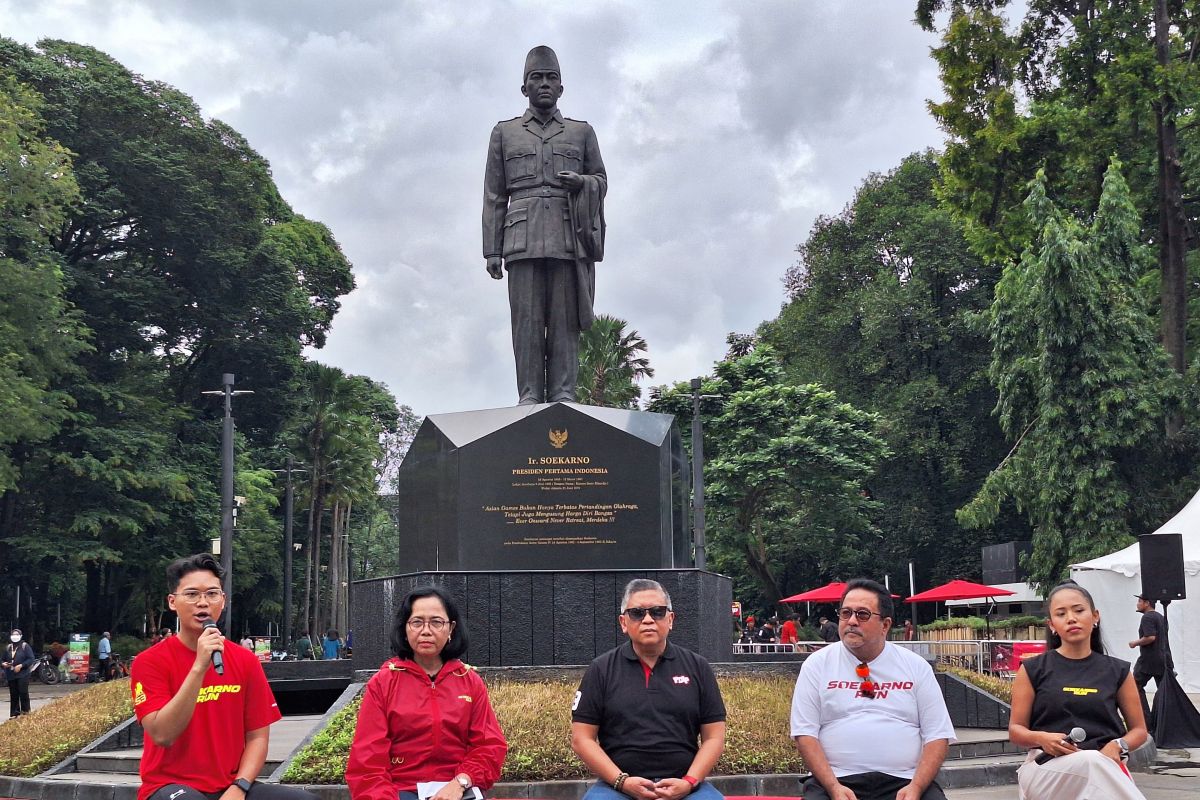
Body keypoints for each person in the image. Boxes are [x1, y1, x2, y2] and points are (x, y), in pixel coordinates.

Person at [130, 553, 316, 800]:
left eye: (211, 594)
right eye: (192, 594)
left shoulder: (244, 660)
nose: (203, 603)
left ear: (223, 600)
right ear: (173, 602)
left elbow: (258, 736)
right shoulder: (150, 662)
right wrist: (198, 667)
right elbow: (163, 735)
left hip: (231, 786)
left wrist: (240, 786)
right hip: (170, 786)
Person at [483, 45, 607, 405]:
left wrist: (583, 183)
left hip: (568, 237)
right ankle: (529, 396)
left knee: (566, 322)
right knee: (526, 324)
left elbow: (600, 177)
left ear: (561, 88)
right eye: (536, 78)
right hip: (520, 240)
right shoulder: (504, 133)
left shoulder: (581, 132)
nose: (544, 84)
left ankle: (564, 394)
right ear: (524, 88)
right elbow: (494, 194)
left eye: (551, 78)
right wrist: (491, 249)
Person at [790, 578, 955, 800]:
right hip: (835, 780)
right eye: (845, 613)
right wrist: (833, 787)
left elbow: (938, 734)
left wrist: (916, 787)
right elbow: (805, 733)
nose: (852, 621)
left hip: (906, 780)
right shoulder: (817, 665)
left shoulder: (915, 666)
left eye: (863, 614)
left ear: (885, 625)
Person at [570, 579, 727, 800]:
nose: (648, 620)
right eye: (637, 613)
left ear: (670, 619)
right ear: (623, 622)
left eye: (657, 612)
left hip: (685, 784)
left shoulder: (697, 667)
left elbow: (714, 737)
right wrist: (621, 781)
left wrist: (689, 782)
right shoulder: (601, 670)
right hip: (617, 786)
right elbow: (582, 739)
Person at [346, 586, 507, 800]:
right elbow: (367, 764)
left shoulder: (470, 682)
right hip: (400, 791)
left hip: (457, 790)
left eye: (436, 622)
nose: (426, 631)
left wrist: (461, 781)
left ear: (451, 629)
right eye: (417, 622)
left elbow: (488, 747)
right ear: (405, 628)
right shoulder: (383, 683)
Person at [1010, 582, 1148, 800]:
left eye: (1079, 610)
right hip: (1047, 767)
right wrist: (1042, 738)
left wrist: (1118, 744)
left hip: (1105, 764)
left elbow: (1139, 731)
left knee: (1095, 765)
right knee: (1091, 762)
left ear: (1095, 617)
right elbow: (1016, 730)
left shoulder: (1118, 670)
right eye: (1061, 613)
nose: (1071, 618)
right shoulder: (1032, 669)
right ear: (1052, 625)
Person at [1128, 593, 1167, 725]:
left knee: (1135, 686)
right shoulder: (1161, 617)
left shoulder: (1147, 617)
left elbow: (1150, 637)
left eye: (1139, 601)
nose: (1137, 604)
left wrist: (1135, 643)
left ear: (1147, 603)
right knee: (1163, 691)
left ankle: (1146, 721)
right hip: (1163, 659)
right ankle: (1161, 721)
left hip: (1148, 660)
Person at [3, 628, 37, 718]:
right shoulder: (8, 647)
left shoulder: (25, 646)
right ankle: (14, 713)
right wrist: (3, 664)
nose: (15, 636)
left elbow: (31, 659)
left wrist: (21, 665)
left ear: (21, 636)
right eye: (13, 634)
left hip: (23, 674)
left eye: (17, 634)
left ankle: (26, 712)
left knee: (23, 692)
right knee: (13, 694)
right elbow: (2, 659)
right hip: (11, 674)